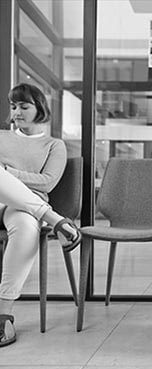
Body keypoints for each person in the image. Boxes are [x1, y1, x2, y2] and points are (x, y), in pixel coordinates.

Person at [0, 83, 81, 348]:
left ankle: (3, 316)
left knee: (25, 226)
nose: (17, 112)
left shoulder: (53, 145)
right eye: (14, 107)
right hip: (21, 204)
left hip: (22, 209)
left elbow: (47, 183)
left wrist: (8, 173)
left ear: (40, 108)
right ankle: (55, 219)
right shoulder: (1, 137)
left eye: (24, 106)